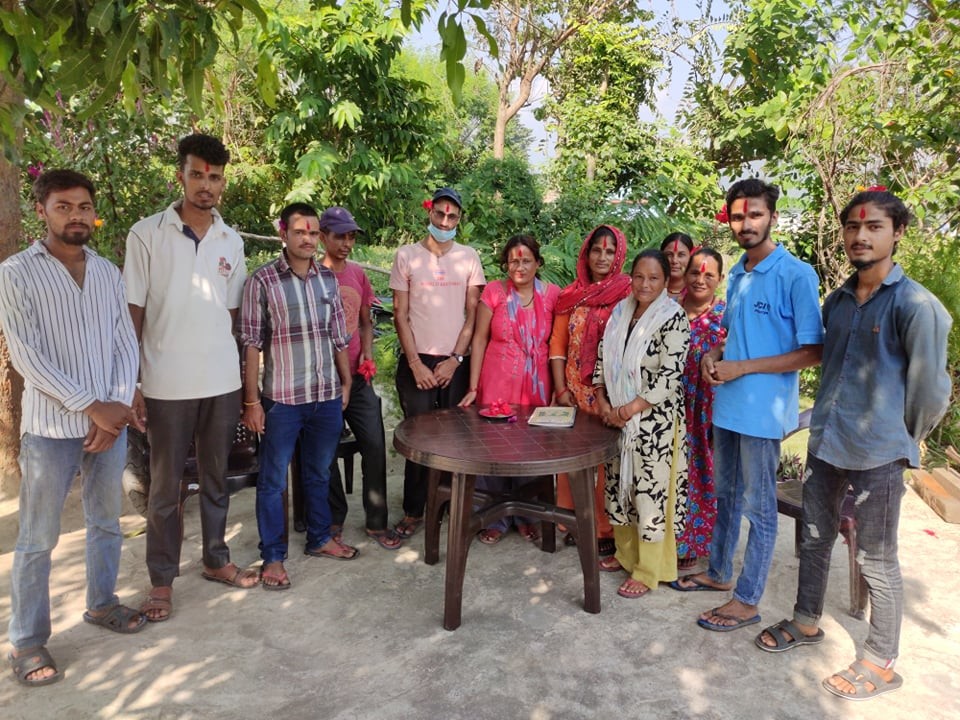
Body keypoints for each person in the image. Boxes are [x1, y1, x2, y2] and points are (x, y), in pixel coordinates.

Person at [755, 188, 951, 700]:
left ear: (897, 232)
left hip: (879, 454)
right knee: (815, 539)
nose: (860, 236)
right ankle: (806, 621)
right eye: (852, 227)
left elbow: (931, 391)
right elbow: (833, 371)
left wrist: (906, 436)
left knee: (877, 559)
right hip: (827, 444)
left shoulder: (916, 305)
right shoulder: (838, 301)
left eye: (874, 227)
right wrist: (808, 419)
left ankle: (881, 660)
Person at [1, 170, 145, 687]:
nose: (77, 215)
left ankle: (102, 603)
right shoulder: (16, 273)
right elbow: (26, 356)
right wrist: (93, 407)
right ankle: (28, 639)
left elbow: (124, 343)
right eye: (65, 206)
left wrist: (116, 411)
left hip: (108, 425)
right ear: (42, 210)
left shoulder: (107, 273)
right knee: (38, 538)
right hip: (49, 430)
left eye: (84, 206)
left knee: (106, 522)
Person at [671, 179, 823, 635]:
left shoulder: (796, 274)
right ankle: (718, 572)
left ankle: (747, 599)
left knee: (759, 508)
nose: (746, 224)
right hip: (729, 405)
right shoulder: (736, 272)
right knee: (725, 496)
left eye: (754, 215)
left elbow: (813, 350)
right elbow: (732, 337)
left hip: (762, 413)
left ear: (772, 217)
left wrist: (742, 369)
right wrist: (714, 356)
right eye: (738, 216)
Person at [124, 133, 258, 622]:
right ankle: (161, 581)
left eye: (215, 177)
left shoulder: (231, 241)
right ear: (180, 175)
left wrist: (247, 390)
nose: (207, 185)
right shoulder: (147, 235)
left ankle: (216, 559)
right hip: (165, 384)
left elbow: (237, 320)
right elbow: (133, 314)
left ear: (224, 182)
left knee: (215, 478)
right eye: (198, 174)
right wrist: (131, 383)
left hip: (220, 382)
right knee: (164, 489)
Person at [240, 203, 355, 589]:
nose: (307, 239)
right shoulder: (263, 282)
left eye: (313, 233)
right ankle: (273, 556)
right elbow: (252, 345)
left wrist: (346, 383)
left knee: (319, 472)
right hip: (283, 400)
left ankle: (320, 538)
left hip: (324, 395)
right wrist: (252, 402)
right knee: (273, 481)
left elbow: (339, 337)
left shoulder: (327, 280)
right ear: (283, 233)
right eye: (299, 232)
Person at [593, 249, 690, 599]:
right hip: (619, 420)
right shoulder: (621, 312)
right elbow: (603, 358)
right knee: (620, 488)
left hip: (654, 425)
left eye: (653, 278)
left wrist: (629, 408)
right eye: (639, 277)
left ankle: (649, 570)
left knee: (650, 496)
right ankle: (625, 555)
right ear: (630, 277)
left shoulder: (674, 317)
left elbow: (669, 376)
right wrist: (603, 399)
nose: (645, 284)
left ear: (666, 282)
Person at [389, 187, 486, 538]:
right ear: (430, 213)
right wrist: (415, 364)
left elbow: (473, 313)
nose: (445, 221)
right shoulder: (406, 256)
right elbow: (400, 314)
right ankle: (414, 511)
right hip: (417, 360)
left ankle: (449, 506)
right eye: (440, 214)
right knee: (418, 437)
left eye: (453, 216)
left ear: (459, 220)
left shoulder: (468, 257)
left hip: (453, 362)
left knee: (455, 438)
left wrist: (456, 359)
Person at [459, 235, 561, 543]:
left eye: (526, 260)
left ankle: (528, 515)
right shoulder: (494, 292)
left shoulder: (553, 295)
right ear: (506, 264)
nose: (519, 266)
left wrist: (559, 389)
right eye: (514, 261)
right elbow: (479, 339)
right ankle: (495, 517)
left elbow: (558, 344)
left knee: (532, 449)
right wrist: (474, 386)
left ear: (538, 263)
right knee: (495, 447)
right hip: (497, 379)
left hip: (537, 385)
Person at [318, 206, 401, 550]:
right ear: (322, 236)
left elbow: (366, 321)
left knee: (375, 446)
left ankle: (376, 522)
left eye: (351, 236)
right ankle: (334, 517)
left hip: (359, 376)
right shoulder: (311, 277)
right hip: (324, 382)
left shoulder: (357, 275)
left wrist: (367, 351)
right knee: (325, 453)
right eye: (339, 236)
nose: (346, 243)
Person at [549, 224, 632, 554]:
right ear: (586, 253)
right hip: (573, 390)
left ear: (618, 255)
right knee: (574, 461)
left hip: (611, 394)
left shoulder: (627, 294)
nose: (602, 256)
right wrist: (560, 390)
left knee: (607, 463)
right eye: (596, 249)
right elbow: (557, 343)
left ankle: (604, 528)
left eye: (610, 251)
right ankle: (572, 520)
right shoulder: (571, 295)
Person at [676, 248, 726, 573]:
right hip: (668, 408)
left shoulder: (725, 316)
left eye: (709, 274)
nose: (700, 279)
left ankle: (693, 540)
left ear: (719, 279)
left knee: (701, 473)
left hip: (705, 411)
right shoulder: (667, 310)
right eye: (695, 272)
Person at [660, 232, 694, 301]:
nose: (674, 261)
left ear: (691, 258)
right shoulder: (650, 288)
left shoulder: (696, 293)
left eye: (681, 255)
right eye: (669, 255)